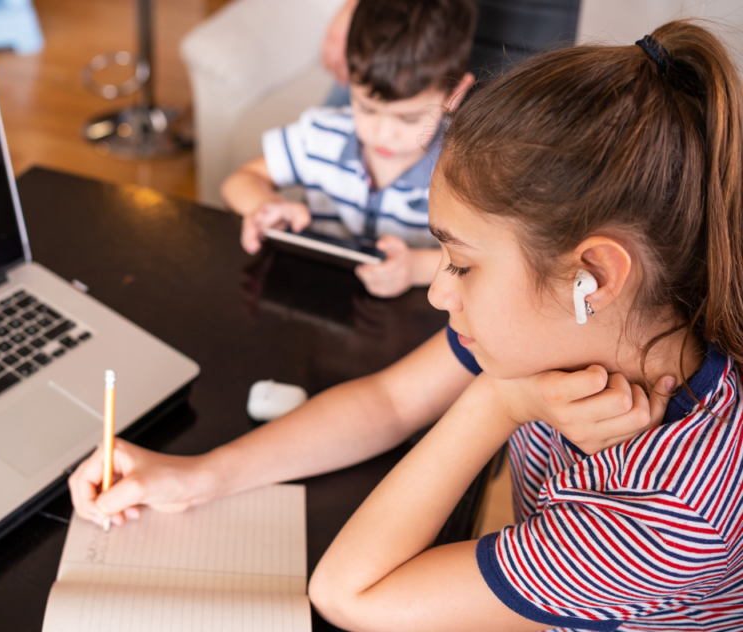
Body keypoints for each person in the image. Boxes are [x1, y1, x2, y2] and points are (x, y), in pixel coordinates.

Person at [72, 18, 743, 629]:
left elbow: (348, 593)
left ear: (591, 274)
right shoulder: (574, 328)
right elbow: (391, 401)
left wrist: (501, 403)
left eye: (462, 264)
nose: (438, 294)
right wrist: (198, 476)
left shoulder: (671, 516)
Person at [221, 0, 477, 298]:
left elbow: (482, 260)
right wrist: (263, 205)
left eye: (408, 118)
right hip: (317, 299)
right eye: (367, 109)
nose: (382, 133)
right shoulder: (322, 135)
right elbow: (239, 180)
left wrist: (415, 268)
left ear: (454, 93)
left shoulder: (464, 168)